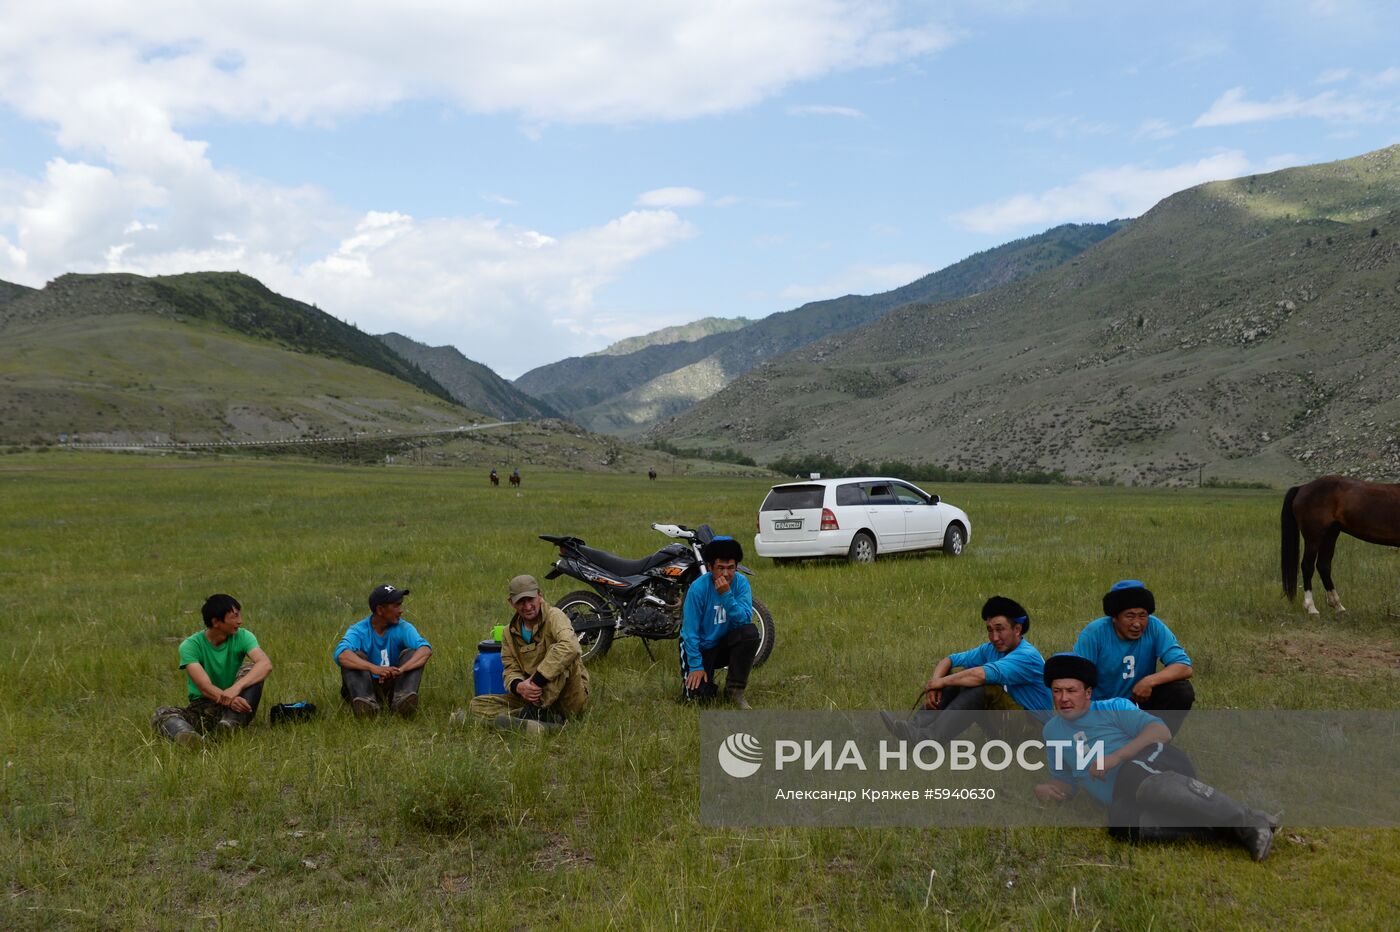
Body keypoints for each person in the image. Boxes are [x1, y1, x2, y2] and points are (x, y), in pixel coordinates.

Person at [1033, 653, 1277, 861]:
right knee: (1121, 823)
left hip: (1158, 765)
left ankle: (1246, 821)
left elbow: (1161, 731)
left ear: (1087, 692)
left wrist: (1116, 757)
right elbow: (1065, 781)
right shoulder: (1052, 731)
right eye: (1057, 691)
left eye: (1071, 691)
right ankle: (1242, 829)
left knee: (1132, 774)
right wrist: (1048, 789)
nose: (1063, 698)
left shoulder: (1113, 707)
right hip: (1125, 794)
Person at [881, 596, 1052, 743]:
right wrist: (936, 685)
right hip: (1007, 723)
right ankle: (914, 728)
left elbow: (978, 676)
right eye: (990, 630)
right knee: (958, 679)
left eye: (1000, 629)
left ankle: (926, 740)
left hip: (1032, 732)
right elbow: (949, 660)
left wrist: (939, 682)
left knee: (982, 686)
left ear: (1017, 629)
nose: (994, 637)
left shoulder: (1026, 655)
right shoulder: (991, 649)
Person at [467, 575, 589, 732]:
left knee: (560, 653)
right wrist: (520, 687)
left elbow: (571, 647)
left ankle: (525, 718)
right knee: (477, 705)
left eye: (531, 599)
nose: (527, 606)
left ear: (540, 595)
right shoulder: (508, 633)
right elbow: (510, 669)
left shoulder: (555, 616)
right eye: (520, 602)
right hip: (531, 698)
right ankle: (539, 722)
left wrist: (537, 680)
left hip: (568, 697)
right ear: (511, 603)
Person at [1073, 580, 1194, 734]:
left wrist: (1148, 681)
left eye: (1142, 616)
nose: (1137, 624)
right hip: (1103, 707)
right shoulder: (1094, 633)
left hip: (1140, 702)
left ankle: (1158, 742)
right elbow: (1077, 679)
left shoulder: (1154, 627)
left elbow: (1183, 667)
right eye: (1130, 616)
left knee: (1181, 690)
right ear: (1114, 617)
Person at [151, 594, 272, 746]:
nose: (240, 621)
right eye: (234, 617)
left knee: (252, 669)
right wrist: (228, 699)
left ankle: (230, 725)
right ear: (216, 622)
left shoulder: (243, 636)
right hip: (204, 707)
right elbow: (204, 687)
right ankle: (188, 736)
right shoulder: (190, 646)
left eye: (239, 615)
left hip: (237, 704)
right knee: (162, 714)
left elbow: (265, 664)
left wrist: (235, 689)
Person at [680, 536, 759, 709]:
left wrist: (726, 595)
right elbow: (689, 633)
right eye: (720, 568)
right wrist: (695, 665)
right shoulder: (698, 588)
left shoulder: (741, 583)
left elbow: (745, 620)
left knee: (750, 634)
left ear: (736, 567)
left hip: (724, 643)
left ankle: (734, 691)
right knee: (699, 701)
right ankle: (703, 684)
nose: (725, 574)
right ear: (710, 567)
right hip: (702, 646)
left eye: (731, 568)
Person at [334, 584, 432, 717]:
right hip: (367, 685)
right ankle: (366, 703)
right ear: (380, 610)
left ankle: (402, 701)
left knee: (413, 653)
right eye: (396, 606)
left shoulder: (403, 627)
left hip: (393, 684)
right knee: (354, 656)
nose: (401, 610)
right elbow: (341, 655)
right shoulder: (358, 630)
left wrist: (401, 670)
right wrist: (374, 669)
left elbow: (425, 650)